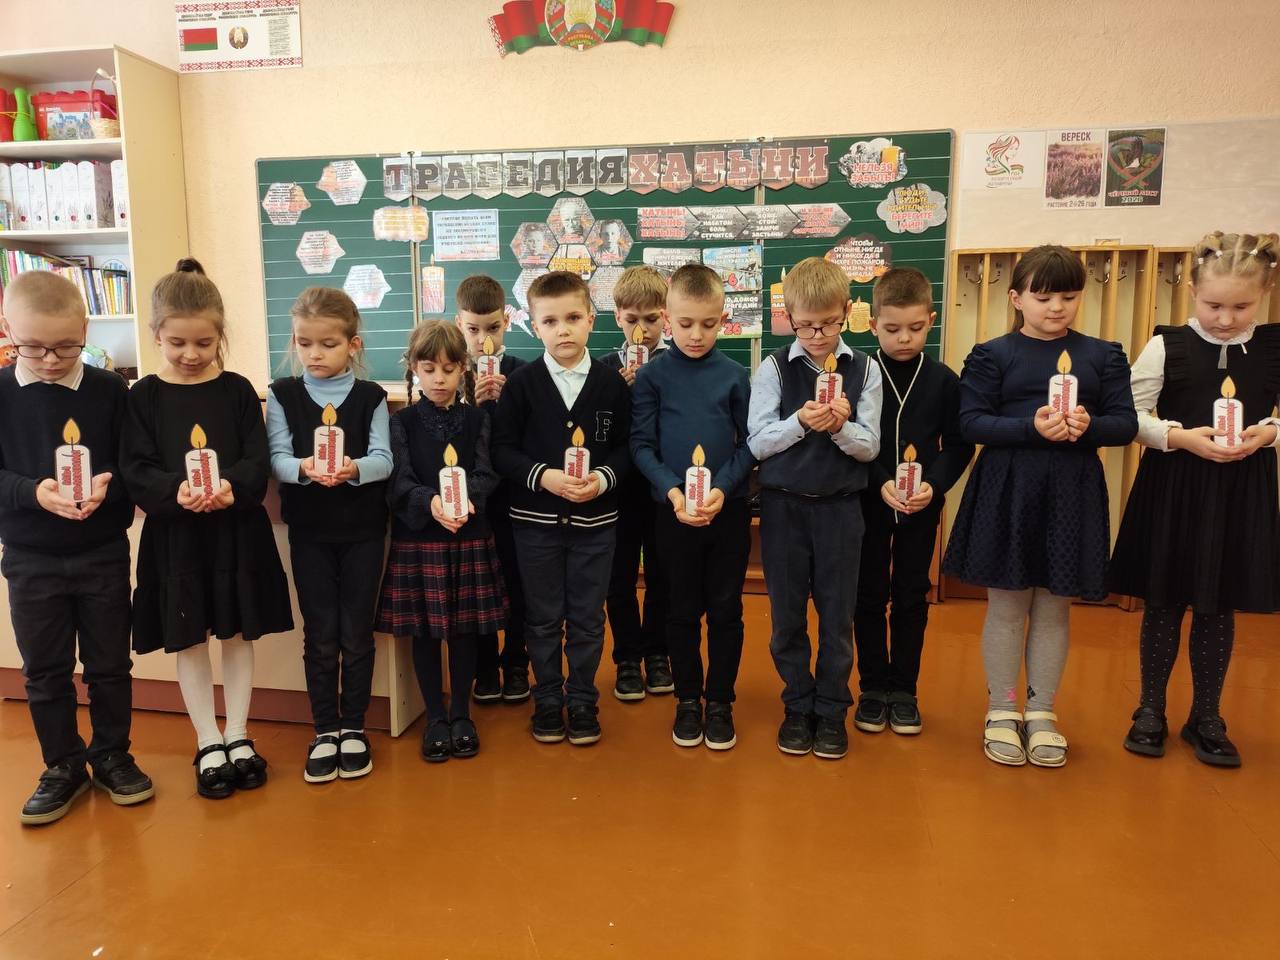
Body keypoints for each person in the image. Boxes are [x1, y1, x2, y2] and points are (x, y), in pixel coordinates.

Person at [942, 245, 1137, 768]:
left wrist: (1088, 426)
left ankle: (1043, 711)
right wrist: (1030, 427)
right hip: (1008, 487)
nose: (1056, 307)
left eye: (1069, 297)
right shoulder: (992, 354)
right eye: (1044, 296)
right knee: (1007, 606)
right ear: (1016, 298)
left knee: (1054, 606)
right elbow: (972, 422)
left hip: (1072, 490)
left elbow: (1125, 423)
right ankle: (1002, 708)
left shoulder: (1104, 355)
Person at [121, 258, 294, 799]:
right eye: (177, 343)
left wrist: (232, 487)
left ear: (221, 335)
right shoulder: (144, 395)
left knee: (237, 632)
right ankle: (207, 739)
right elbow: (136, 466)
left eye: (204, 342)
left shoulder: (238, 390)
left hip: (234, 530)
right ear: (156, 334)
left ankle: (238, 733)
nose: (191, 354)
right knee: (188, 636)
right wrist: (175, 491)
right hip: (177, 537)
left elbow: (256, 458)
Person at [1111, 231, 1280, 767]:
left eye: (1241, 307)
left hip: (1239, 491)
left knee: (1218, 604)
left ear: (1266, 294)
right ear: (1191, 291)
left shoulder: (1274, 346)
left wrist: (1269, 433)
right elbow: (1131, 416)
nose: (1226, 319)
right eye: (1213, 305)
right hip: (1175, 487)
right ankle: (1150, 709)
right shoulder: (1167, 345)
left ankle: (1207, 715)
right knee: (1163, 601)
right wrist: (1179, 437)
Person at [0, 271, 152, 825]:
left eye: (66, 346)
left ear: (85, 330)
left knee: (110, 663)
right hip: (29, 556)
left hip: (101, 550)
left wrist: (114, 485)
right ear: (7, 330)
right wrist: (31, 492)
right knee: (45, 669)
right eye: (32, 347)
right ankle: (62, 765)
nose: (49, 359)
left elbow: (134, 463)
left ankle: (112, 754)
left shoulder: (110, 390)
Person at [748, 256, 881, 760]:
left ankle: (831, 709)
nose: (818, 335)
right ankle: (796, 703)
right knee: (786, 617)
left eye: (828, 323)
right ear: (788, 317)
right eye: (806, 325)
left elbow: (870, 447)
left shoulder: (864, 369)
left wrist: (842, 428)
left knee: (837, 618)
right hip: (784, 509)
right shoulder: (774, 368)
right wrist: (802, 422)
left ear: (847, 311)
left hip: (841, 510)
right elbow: (758, 442)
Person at [491, 271, 631, 746]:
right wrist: (544, 476)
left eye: (573, 317)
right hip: (536, 525)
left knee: (589, 617)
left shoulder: (611, 384)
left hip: (596, 524)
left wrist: (603, 479)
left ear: (592, 319)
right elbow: (502, 450)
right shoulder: (521, 384)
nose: (563, 329)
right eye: (550, 321)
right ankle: (548, 698)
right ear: (534, 327)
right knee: (543, 616)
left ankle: (583, 699)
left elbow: (626, 448)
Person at [266, 287, 391, 783]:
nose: (314, 354)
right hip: (311, 533)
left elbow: (383, 459)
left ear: (353, 345)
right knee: (320, 635)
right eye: (304, 343)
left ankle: (354, 726)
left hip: (363, 531)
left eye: (328, 344)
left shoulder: (371, 397)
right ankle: (324, 729)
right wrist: (305, 468)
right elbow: (276, 458)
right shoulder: (283, 394)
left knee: (357, 632)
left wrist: (353, 469)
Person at [632, 264, 754, 749]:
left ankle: (720, 701)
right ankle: (687, 699)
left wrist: (722, 488)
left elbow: (750, 444)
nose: (696, 335)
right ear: (666, 319)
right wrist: (673, 492)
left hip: (728, 511)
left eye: (708, 324)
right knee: (679, 609)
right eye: (685, 324)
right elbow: (642, 445)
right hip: (674, 513)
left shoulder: (736, 376)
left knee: (726, 609)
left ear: (723, 319)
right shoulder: (652, 376)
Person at [375, 321, 505, 762]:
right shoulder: (402, 422)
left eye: (449, 369)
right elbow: (399, 480)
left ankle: (462, 713)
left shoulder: (478, 419)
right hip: (421, 539)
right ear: (414, 368)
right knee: (426, 633)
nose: (439, 379)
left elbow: (487, 473)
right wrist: (432, 503)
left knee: (464, 630)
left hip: (468, 535)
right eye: (429, 369)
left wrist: (464, 501)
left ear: (464, 368)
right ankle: (434, 716)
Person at [853, 267, 973, 736]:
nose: (904, 338)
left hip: (921, 507)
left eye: (916, 328)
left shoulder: (943, 380)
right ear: (872, 324)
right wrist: (878, 480)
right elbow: (846, 440)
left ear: (931, 320)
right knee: (867, 595)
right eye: (892, 329)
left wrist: (935, 486)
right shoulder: (860, 375)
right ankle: (871, 687)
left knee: (911, 595)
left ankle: (904, 690)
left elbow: (958, 445)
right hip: (867, 502)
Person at [598, 265, 673, 701]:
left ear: (666, 316)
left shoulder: (677, 363)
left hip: (663, 487)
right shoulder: (605, 369)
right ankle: (627, 656)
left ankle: (658, 652)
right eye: (631, 320)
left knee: (663, 572)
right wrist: (619, 392)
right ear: (617, 318)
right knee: (619, 575)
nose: (641, 331)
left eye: (651, 319)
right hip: (619, 489)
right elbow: (599, 432)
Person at [454, 274, 530, 704]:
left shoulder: (523, 372)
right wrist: (473, 406)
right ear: (459, 324)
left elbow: (530, 438)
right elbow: (445, 441)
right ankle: (484, 668)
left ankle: (516, 662)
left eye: (493, 328)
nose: (484, 339)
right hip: (472, 500)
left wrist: (506, 404)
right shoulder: (449, 373)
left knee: (518, 582)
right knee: (478, 584)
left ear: (507, 322)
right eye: (473, 329)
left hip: (515, 499)